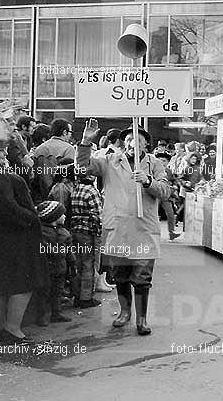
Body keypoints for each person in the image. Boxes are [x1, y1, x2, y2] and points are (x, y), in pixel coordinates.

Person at [77, 120, 170, 336]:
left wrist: (148, 182)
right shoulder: (110, 160)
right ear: (123, 143)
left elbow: (165, 191)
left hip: (144, 229)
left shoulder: (154, 164)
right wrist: (85, 142)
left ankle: (142, 319)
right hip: (118, 228)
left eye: (138, 140)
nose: (132, 143)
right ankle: (124, 312)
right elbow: (83, 166)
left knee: (142, 277)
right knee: (120, 275)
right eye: (128, 139)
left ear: (146, 145)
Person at [0, 134, 45, 343]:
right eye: (0, 150)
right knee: (23, 284)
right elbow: (8, 208)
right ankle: (13, 330)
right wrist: (32, 218)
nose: (5, 153)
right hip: (16, 239)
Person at [35, 200, 72, 325]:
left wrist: (72, 262)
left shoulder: (64, 233)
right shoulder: (42, 233)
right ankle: (43, 315)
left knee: (57, 291)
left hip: (60, 268)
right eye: (62, 214)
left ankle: (56, 313)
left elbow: (69, 250)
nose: (65, 216)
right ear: (54, 217)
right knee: (44, 292)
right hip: (47, 268)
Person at [70, 174, 104, 308]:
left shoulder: (76, 189)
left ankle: (76, 296)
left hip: (76, 229)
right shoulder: (92, 191)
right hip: (88, 231)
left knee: (78, 263)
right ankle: (86, 298)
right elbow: (98, 214)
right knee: (88, 264)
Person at [32, 118, 76, 202]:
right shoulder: (69, 149)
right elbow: (70, 176)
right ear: (64, 132)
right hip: (62, 196)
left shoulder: (39, 149)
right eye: (70, 133)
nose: (70, 136)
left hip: (41, 195)